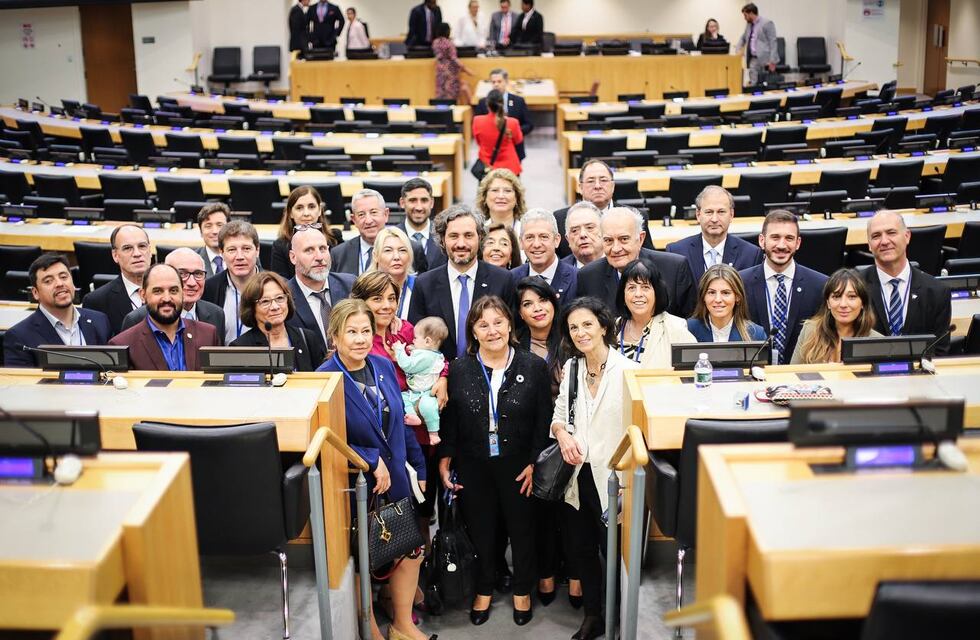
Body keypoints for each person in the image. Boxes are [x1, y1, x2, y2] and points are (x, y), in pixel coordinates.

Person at [316, 299, 432, 640]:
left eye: (365, 330)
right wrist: (368, 458)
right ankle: (367, 627)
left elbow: (400, 423)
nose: (360, 339)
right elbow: (326, 436)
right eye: (351, 332)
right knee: (362, 556)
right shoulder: (324, 379)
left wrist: (419, 465)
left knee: (410, 550)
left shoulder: (382, 365)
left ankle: (402, 625)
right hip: (352, 486)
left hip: (395, 479)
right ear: (334, 337)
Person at [438, 295, 551, 627]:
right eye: (483, 324)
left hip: (519, 464)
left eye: (498, 322)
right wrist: (445, 458)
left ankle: (522, 590)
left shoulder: (533, 366)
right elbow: (452, 422)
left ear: (510, 325)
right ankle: (484, 588)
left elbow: (543, 420)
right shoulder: (459, 369)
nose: (492, 331)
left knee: (522, 529)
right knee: (482, 530)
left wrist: (534, 462)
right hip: (474, 463)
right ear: (473, 330)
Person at [551, 296, 639, 640]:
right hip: (576, 475)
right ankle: (593, 615)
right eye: (573, 327)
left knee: (614, 552)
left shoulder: (630, 372)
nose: (580, 332)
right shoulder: (572, 368)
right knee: (582, 549)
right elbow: (558, 418)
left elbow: (637, 432)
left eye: (587, 324)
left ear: (604, 326)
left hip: (614, 477)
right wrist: (562, 436)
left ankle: (620, 617)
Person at [512, 276, 574, 606]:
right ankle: (546, 572)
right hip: (530, 442)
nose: (537, 309)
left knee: (572, 513)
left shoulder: (571, 340)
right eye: (527, 304)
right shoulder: (514, 346)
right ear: (518, 314)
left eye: (543, 300)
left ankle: (574, 573)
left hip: (570, 438)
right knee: (540, 513)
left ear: (554, 303)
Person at [409, 204, 515, 362]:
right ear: (442, 240)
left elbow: (513, 333)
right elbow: (417, 338)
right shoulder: (424, 284)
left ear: (480, 238)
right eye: (453, 236)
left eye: (468, 235)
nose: (461, 243)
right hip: (440, 379)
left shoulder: (503, 280)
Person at [739, 210, 828, 364]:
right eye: (775, 237)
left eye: (789, 238)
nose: (782, 245)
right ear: (762, 240)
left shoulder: (820, 285)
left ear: (798, 243)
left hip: (801, 374)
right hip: (752, 371)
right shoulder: (740, 282)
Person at [576, 207, 697, 317]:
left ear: (640, 238)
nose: (616, 248)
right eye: (608, 240)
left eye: (624, 239)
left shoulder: (674, 269)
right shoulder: (588, 277)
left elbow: (690, 323)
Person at [862, 210, 952, 354]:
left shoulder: (937, 292)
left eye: (891, 233)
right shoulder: (855, 288)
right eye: (876, 236)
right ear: (869, 245)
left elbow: (939, 351)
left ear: (907, 236)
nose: (884, 241)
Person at [4, 253, 111, 367]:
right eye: (48, 281)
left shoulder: (100, 321)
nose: (59, 284)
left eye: (64, 277)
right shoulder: (19, 337)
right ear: (35, 293)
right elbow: (20, 383)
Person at [109, 264, 219, 371]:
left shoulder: (208, 335)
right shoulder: (123, 344)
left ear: (182, 293)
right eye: (158, 291)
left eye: (173, 291)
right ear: (143, 295)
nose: (167, 298)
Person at [120, 248, 226, 342]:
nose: (192, 283)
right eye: (182, 274)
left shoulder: (216, 314)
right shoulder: (136, 319)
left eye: (198, 274)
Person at [553, 160, 654, 259]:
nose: (597, 186)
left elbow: (649, 257)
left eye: (603, 180)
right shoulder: (561, 218)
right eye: (591, 181)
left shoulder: (634, 216)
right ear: (580, 187)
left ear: (613, 186)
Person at [666, 186, 763, 284]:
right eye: (709, 212)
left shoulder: (751, 255)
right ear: (698, 215)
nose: (714, 219)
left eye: (721, 212)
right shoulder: (677, 252)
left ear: (731, 215)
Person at [230, 272, 326, 371]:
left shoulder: (308, 338)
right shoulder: (241, 348)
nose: (275, 307)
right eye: (265, 301)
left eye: (280, 298)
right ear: (251, 308)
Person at [615, 258, 696, 368]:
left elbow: (691, 375)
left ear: (657, 293)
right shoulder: (612, 328)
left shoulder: (676, 328)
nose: (638, 294)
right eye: (631, 288)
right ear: (623, 295)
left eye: (645, 287)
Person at [286, 225, 355, 355]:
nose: (319, 257)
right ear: (293, 257)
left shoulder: (350, 285)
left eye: (323, 249)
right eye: (309, 250)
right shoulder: (284, 297)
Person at [792, 269, 882, 364]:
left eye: (852, 297)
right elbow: (792, 374)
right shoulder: (810, 330)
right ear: (828, 303)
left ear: (863, 303)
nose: (843, 304)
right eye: (836, 296)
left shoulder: (877, 342)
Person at [82, 224, 151, 336]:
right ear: (115, 255)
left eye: (142, 246)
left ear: (150, 250)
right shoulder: (96, 302)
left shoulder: (172, 292)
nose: (137, 254)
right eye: (128, 248)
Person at [202, 220, 262, 345]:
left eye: (246, 249)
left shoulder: (277, 287)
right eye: (231, 250)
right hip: (221, 361)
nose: (239, 256)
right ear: (222, 253)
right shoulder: (208, 289)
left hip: (266, 361)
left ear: (257, 250)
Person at [393, 317, 448, 445]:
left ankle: (433, 433)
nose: (412, 340)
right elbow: (417, 354)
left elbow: (407, 365)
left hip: (427, 392)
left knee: (428, 407)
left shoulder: (426, 357)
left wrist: (399, 350)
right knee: (404, 398)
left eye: (416, 338)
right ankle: (413, 416)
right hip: (416, 391)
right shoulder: (429, 353)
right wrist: (413, 349)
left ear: (427, 341)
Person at [509, 208, 578, 304]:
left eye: (544, 237)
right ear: (521, 242)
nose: (536, 244)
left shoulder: (577, 278)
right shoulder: (511, 279)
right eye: (530, 237)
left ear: (557, 240)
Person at [688, 264, 767, 343]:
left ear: (737, 297)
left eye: (725, 293)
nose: (718, 299)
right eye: (711, 292)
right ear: (703, 296)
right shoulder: (687, 330)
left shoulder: (756, 334)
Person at [271, 185, 335, 279]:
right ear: (290, 213)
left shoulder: (334, 239)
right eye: (299, 208)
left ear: (320, 210)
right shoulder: (280, 246)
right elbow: (281, 284)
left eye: (311, 207)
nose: (306, 213)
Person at [331, 189, 390, 276]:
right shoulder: (338, 254)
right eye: (361, 214)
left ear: (386, 214)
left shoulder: (408, 249)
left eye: (373, 212)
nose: (368, 221)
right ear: (354, 220)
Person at [475, 68, 532, 157]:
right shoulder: (483, 102)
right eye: (493, 82)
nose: (496, 85)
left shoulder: (518, 101)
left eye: (499, 81)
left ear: (506, 82)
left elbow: (529, 124)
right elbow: (477, 127)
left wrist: (514, 132)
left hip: (514, 149)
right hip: (490, 151)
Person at [369, 227, 419, 320]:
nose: (396, 257)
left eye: (402, 250)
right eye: (388, 250)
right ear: (375, 255)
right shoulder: (365, 289)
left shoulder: (420, 288)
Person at [397, 178, 446, 272]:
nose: (419, 207)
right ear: (402, 203)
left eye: (424, 200)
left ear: (431, 203)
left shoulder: (443, 234)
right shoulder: (393, 236)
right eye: (413, 200)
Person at [473, 90, 523, 176]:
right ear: (503, 103)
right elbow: (518, 141)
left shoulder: (477, 121)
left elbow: (478, 142)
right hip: (510, 168)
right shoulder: (513, 122)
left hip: (487, 167)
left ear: (487, 104)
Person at [735, 3, 779, 85]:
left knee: (766, 84)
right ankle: (753, 94)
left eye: (745, 15)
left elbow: (773, 42)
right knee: (753, 82)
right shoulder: (748, 25)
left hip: (766, 59)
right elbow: (743, 37)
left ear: (751, 13)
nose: (744, 18)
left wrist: (772, 61)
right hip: (754, 59)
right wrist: (738, 49)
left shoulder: (767, 23)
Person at [433, 23, 474, 104]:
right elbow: (454, 59)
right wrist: (466, 69)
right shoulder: (449, 43)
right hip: (449, 71)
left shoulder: (435, 42)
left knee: (441, 92)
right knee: (450, 94)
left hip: (440, 70)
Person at [477, 168, 527, 234]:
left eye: (507, 191)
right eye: (495, 190)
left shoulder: (526, 232)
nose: (501, 196)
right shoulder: (478, 233)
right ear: (484, 197)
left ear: (517, 198)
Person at [562, 201, 604, 269]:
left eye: (589, 228)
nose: (582, 235)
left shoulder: (619, 265)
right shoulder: (558, 271)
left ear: (603, 231)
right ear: (568, 239)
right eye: (575, 230)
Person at [195, 203, 229, 278]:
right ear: (201, 231)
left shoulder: (244, 257)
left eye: (220, 225)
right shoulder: (192, 260)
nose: (215, 231)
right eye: (208, 226)